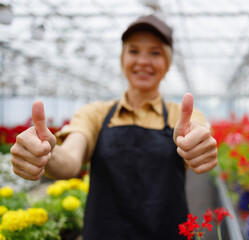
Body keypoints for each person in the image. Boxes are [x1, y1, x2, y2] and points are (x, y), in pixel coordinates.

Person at [10, 14, 218, 239]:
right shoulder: (96, 113)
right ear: (122, 59)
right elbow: (70, 161)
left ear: (167, 63)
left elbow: (199, 131)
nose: (143, 61)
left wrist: (198, 146)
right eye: (134, 51)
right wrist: (46, 153)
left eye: (155, 52)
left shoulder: (182, 115)